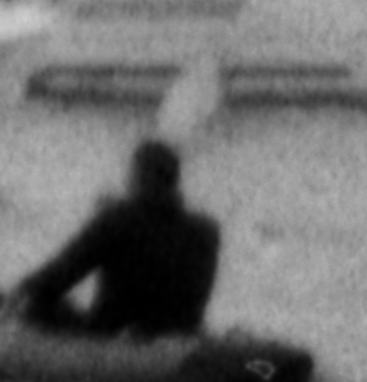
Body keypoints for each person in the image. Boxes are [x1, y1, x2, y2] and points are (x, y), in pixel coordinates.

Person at [14, 126, 222, 344]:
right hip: (183, 334)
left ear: (138, 177)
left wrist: (18, 292)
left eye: (130, 175)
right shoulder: (207, 229)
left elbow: (57, 278)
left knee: (34, 304)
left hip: (114, 335)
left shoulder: (117, 219)